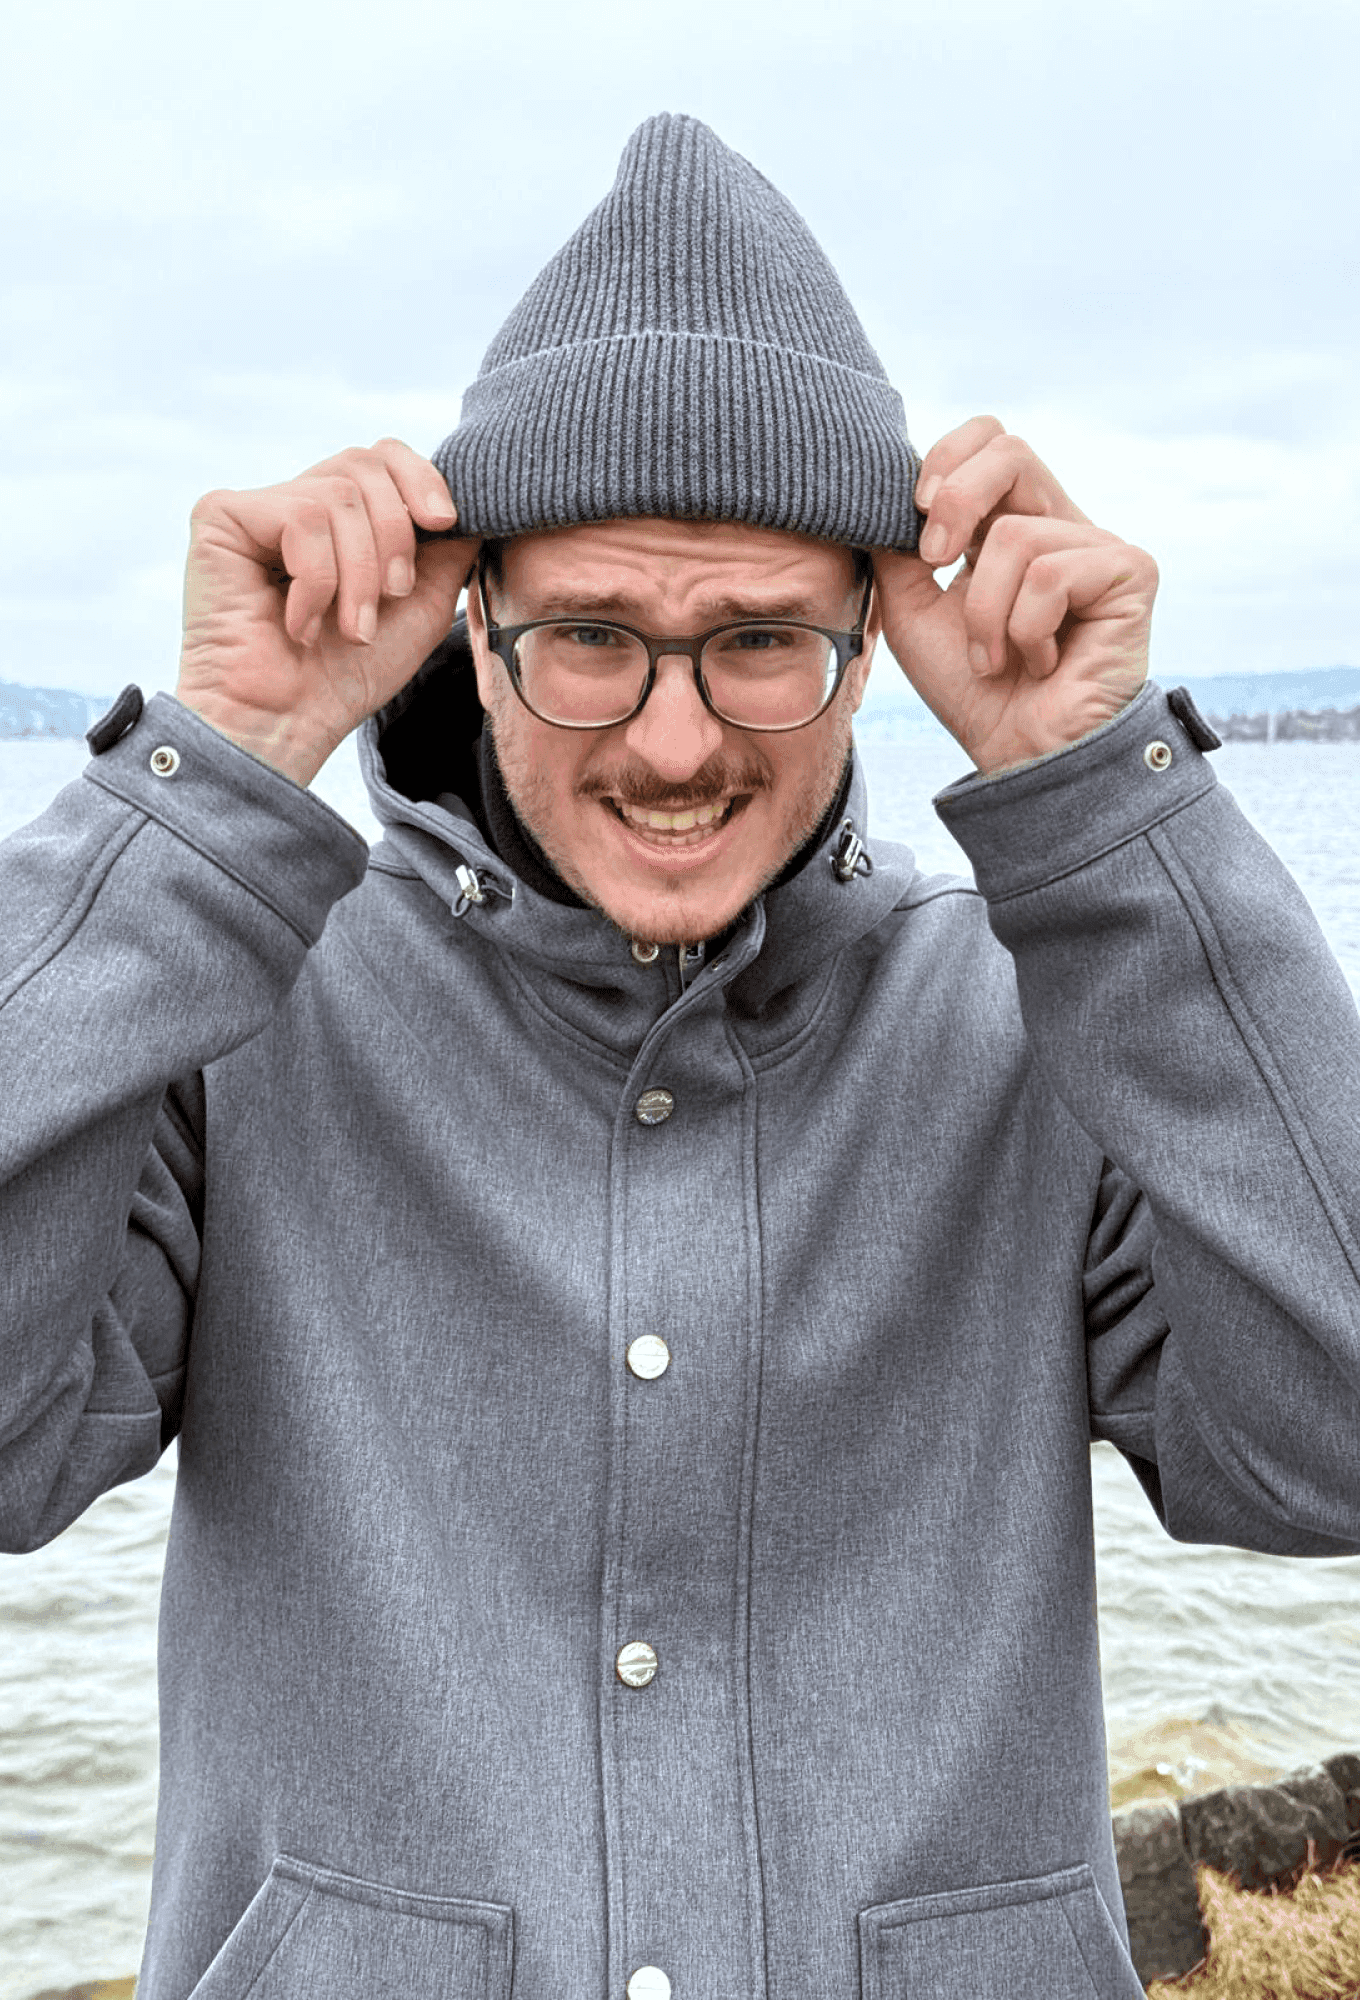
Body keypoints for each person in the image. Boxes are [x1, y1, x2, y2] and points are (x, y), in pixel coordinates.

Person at [2, 111, 1357, 2000]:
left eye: (756, 645)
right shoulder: (247, 1018)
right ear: (467, 638)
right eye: (591, 639)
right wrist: (205, 777)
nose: (668, 740)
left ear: (872, 650)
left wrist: (1112, 811)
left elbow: (1336, 1444)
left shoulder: (1036, 1022)